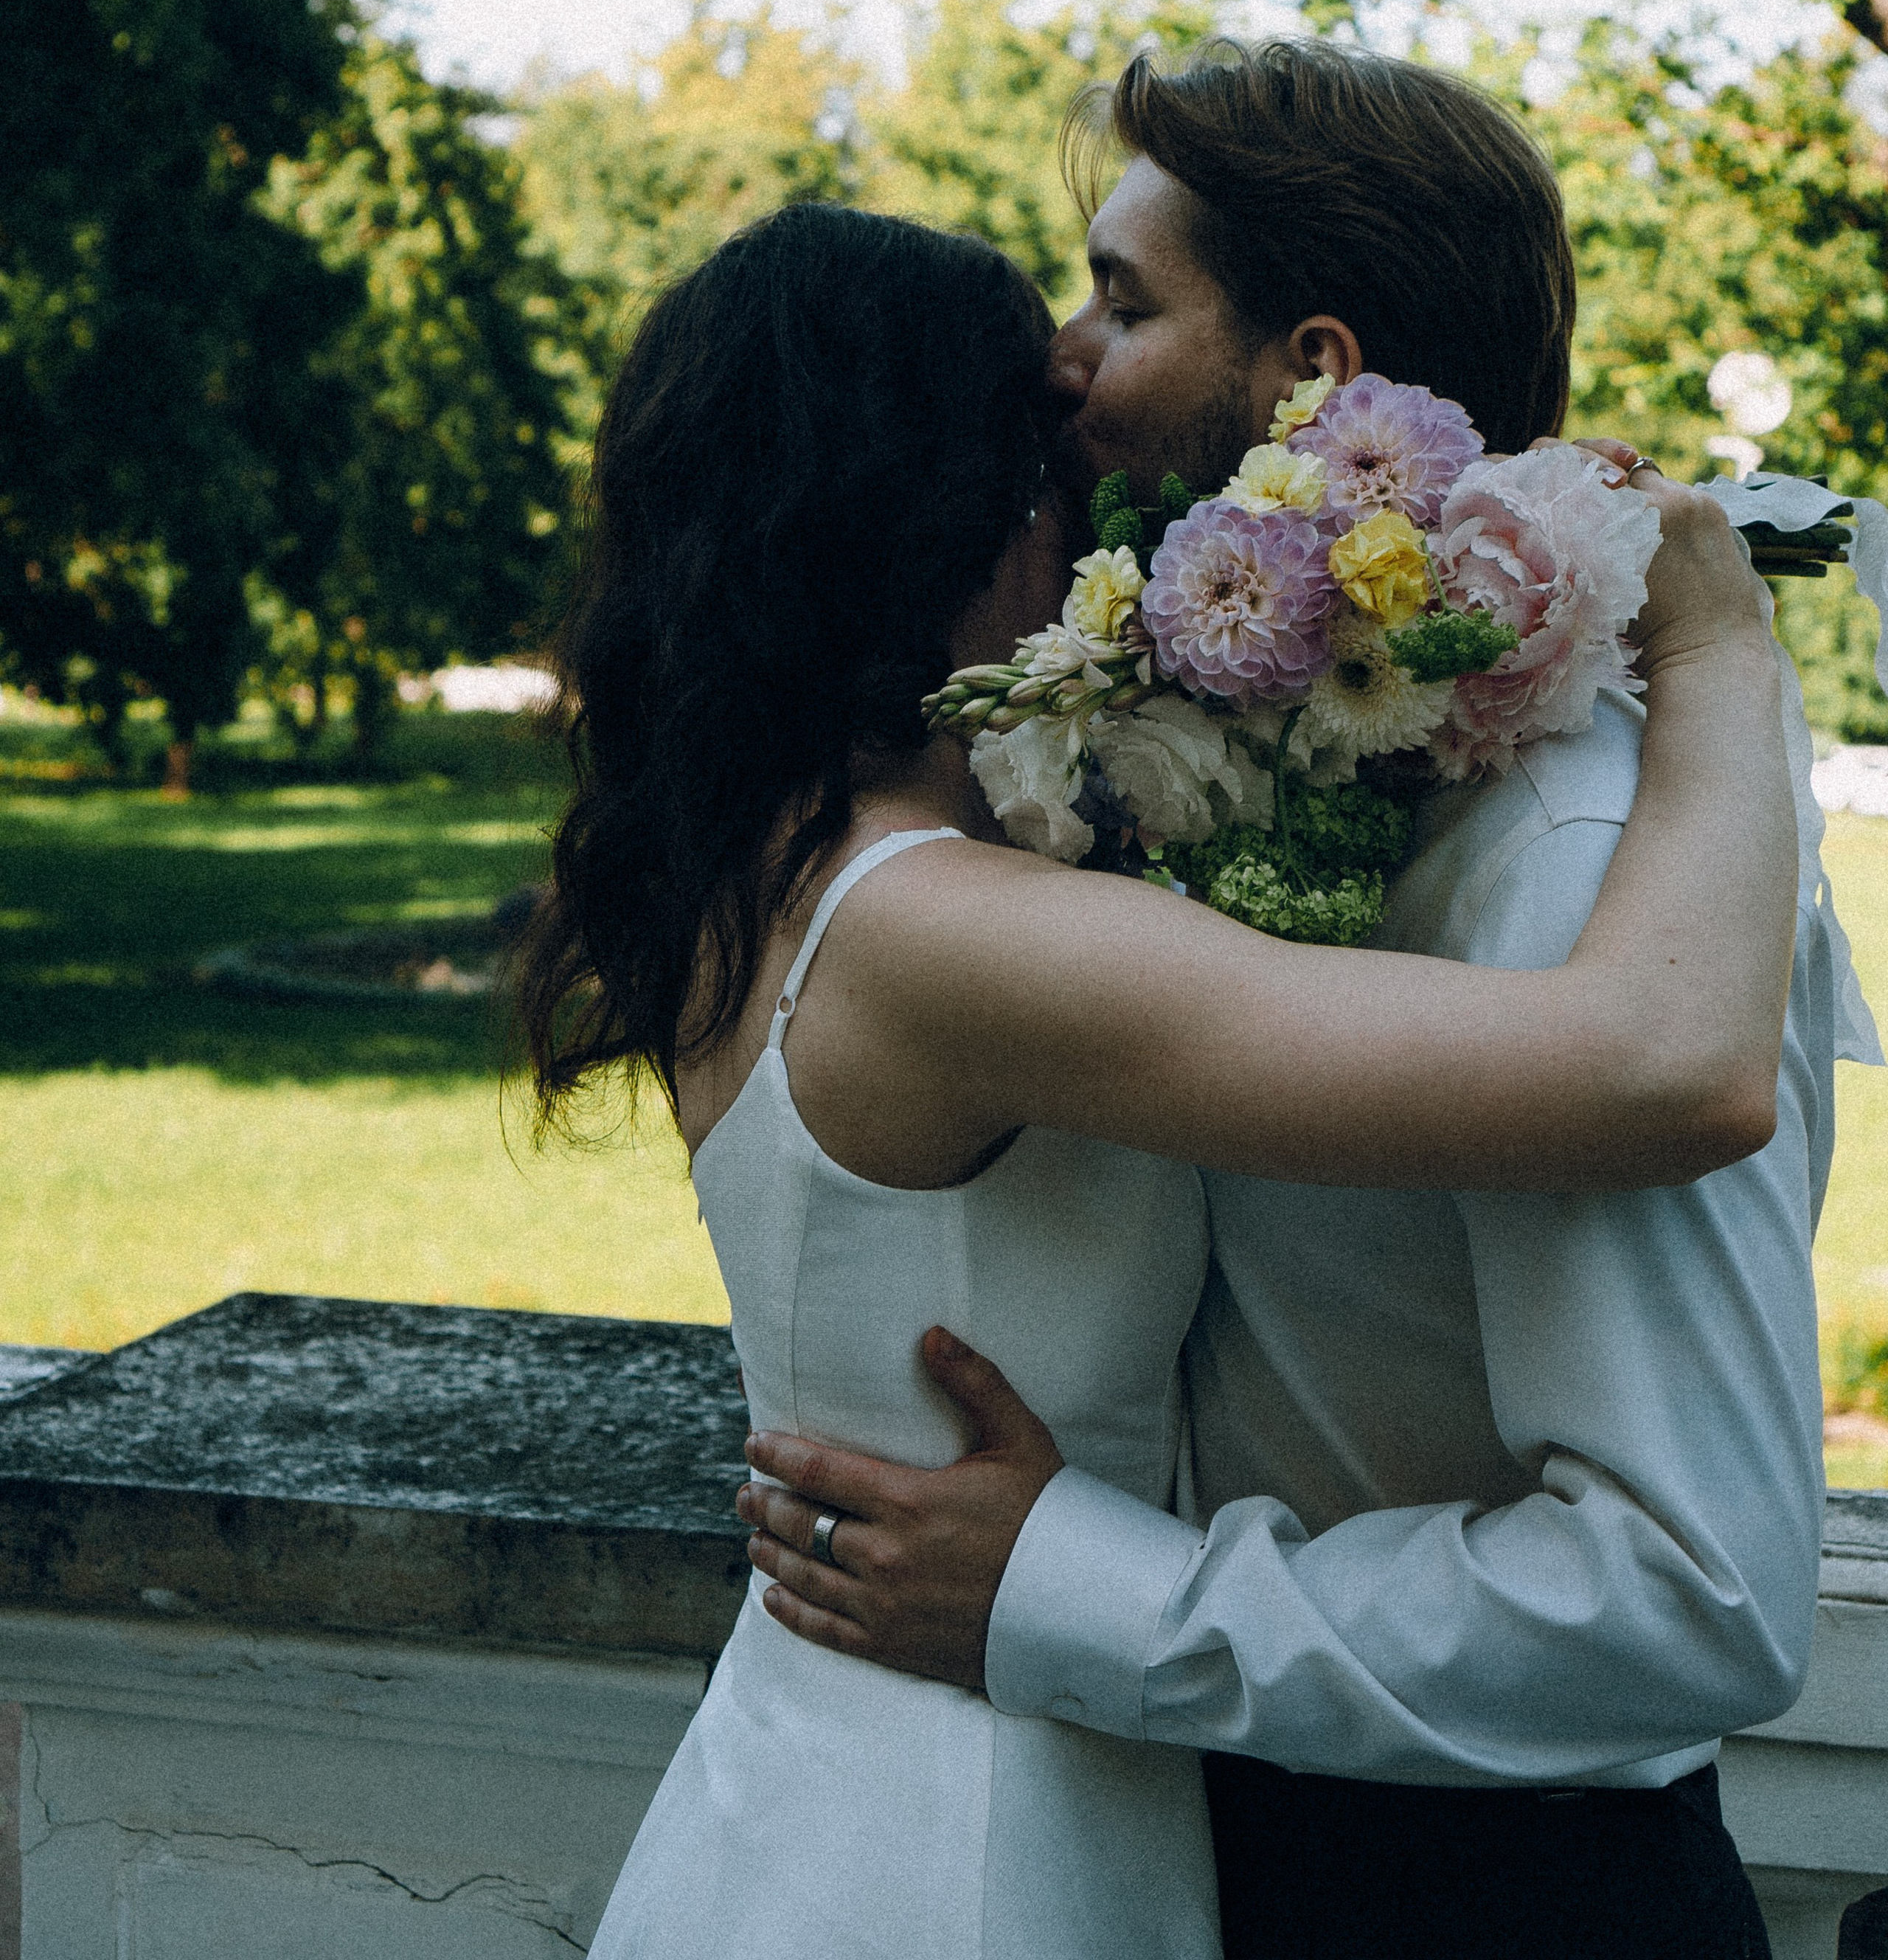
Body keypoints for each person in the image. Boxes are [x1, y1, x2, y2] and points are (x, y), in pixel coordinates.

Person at [521, 195, 1795, 1960]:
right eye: (1048, 446)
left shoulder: (786, 860)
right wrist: (1723, 648)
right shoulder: (944, 933)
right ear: (959, 499)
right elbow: (1669, 1067)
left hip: (859, 1751)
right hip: (974, 1818)